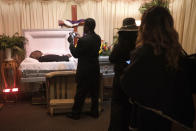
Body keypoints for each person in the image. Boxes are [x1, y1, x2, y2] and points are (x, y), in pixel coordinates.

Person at [121, 6, 195, 131]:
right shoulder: (177, 51)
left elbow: (126, 83)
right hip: (174, 116)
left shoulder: (143, 53)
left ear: (145, 27)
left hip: (150, 115)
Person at [66, 18, 101, 120]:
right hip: (94, 69)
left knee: (80, 93)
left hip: (84, 70)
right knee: (95, 92)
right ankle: (94, 112)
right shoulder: (98, 38)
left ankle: (75, 113)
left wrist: (71, 43)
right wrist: (80, 38)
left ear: (86, 27)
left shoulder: (83, 40)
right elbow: (89, 45)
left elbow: (76, 54)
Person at [108, 18, 138, 131]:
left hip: (120, 78)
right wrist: (128, 62)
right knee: (130, 107)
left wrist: (124, 62)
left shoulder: (121, 44)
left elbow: (112, 58)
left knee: (118, 106)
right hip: (134, 80)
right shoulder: (140, 42)